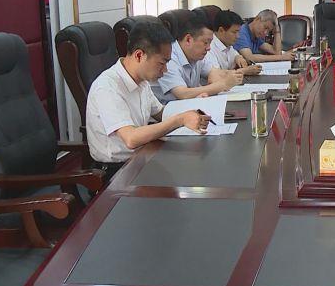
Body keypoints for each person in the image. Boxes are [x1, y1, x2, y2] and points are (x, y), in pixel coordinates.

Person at [86, 21, 211, 176]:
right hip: (117, 171)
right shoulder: (107, 87)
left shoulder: (142, 81)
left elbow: (161, 113)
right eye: (162, 63)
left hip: (143, 158)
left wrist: (194, 107)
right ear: (139, 55)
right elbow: (131, 138)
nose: (165, 70)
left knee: (199, 165)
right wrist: (180, 119)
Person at [153, 14, 243, 104]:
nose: (209, 48)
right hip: (166, 109)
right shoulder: (169, 57)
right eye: (206, 42)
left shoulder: (196, 55)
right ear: (188, 39)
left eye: (210, 43)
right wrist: (223, 84)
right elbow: (183, 94)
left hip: (188, 105)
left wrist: (220, 75)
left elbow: (213, 71)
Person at [204, 10, 262, 76]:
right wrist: (244, 71)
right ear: (221, 30)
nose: (238, 36)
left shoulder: (227, 44)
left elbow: (235, 54)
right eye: (234, 32)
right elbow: (216, 74)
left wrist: (239, 57)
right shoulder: (209, 48)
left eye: (238, 32)